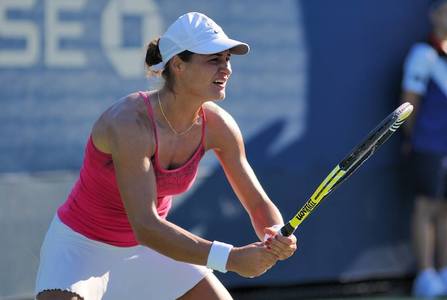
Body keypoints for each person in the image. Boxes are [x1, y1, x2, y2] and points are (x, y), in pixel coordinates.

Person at [34, 12, 297, 300]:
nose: (226, 69)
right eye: (213, 60)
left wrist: (274, 233)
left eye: (227, 59)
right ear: (178, 65)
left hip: (152, 251)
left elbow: (258, 203)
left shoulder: (219, 126)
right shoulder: (129, 124)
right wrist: (230, 258)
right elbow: (146, 226)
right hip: (82, 248)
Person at [400, 0, 447, 297]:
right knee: (426, 207)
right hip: (428, 146)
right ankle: (426, 274)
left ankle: (443, 270)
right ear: (434, 14)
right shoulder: (423, 55)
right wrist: (411, 137)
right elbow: (409, 103)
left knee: (445, 209)